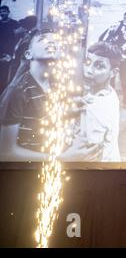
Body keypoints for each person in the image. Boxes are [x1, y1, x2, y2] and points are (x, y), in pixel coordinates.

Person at [0, 29, 102, 161]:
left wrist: (69, 111)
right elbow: (5, 153)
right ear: (28, 54)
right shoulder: (17, 91)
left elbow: (39, 117)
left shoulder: (54, 83)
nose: (51, 43)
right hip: (30, 172)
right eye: (42, 39)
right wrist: (63, 158)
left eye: (55, 41)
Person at [79, 42, 121, 161]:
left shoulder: (99, 106)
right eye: (87, 62)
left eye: (99, 66)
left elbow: (89, 152)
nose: (88, 70)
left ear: (114, 72)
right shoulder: (108, 92)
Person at [98, 10, 126, 112]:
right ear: (125, 15)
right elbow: (103, 38)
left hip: (125, 57)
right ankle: (109, 102)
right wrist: (109, 51)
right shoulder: (117, 25)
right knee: (111, 79)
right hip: (113, 56)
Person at [0, 5, 19, 95]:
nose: (2, 13)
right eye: (1, 12)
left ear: (8, 12)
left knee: (7, 75)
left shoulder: (14, 23)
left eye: (4, 11)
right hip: (0, 53)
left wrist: (11, 53)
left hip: (10, 53)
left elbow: (18, 38)